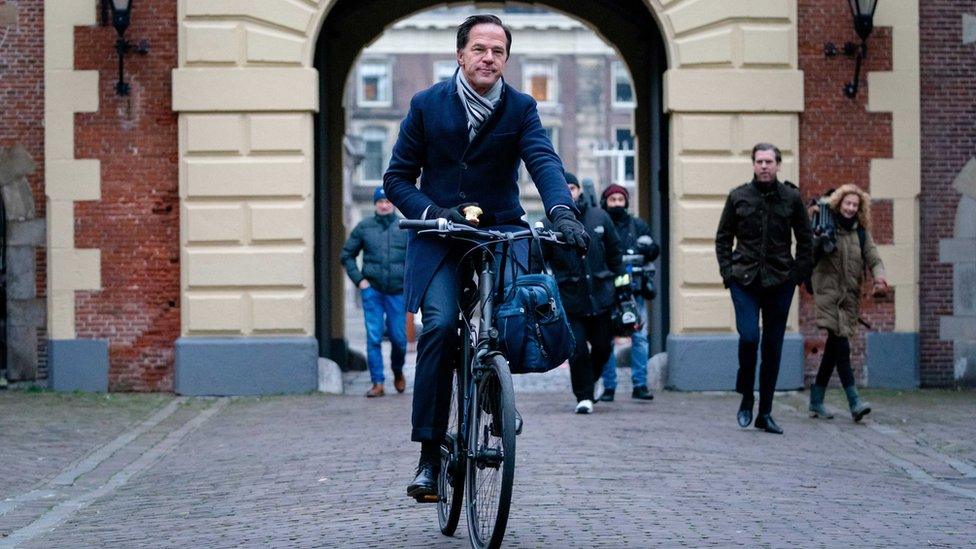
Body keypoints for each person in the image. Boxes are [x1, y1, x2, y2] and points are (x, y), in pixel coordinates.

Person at [383, 14, 589, 500]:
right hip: (438, 233)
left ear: (506, 59)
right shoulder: (427, 105)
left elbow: (542, 159)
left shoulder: (520, 108)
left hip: (499, 230)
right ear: (460, 54)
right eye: (479, 49)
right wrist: (433, 212)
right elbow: (396, 178)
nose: (488, 58)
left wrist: (563, 212)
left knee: (512, 318)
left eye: (497, 51)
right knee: (439, 327)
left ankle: (496, 391)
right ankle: (430, 456)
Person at [715, 143, 813, 435]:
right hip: (744, 279)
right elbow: (723, 238)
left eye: (769, 161)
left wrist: (797, 276)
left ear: (778, 165)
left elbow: (806, 241)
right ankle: (746, 394)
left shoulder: (791, 198)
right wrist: (727, 273)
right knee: (748, 337)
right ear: (753, 165)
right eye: (759, 161)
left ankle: (765, 412)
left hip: (779, 280)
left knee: (772, 347)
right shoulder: (738, 196)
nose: (764, 166)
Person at [544, 174, 624, 414]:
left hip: (601, 296)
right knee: (577, 349)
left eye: (572, 188)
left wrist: (623, 290)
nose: (569, 192)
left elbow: (615, 254)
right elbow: (540, 259)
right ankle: (584, 396)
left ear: (579, 190)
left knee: (603, 347)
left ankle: (590, 380)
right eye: (564, 188)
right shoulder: (550, 224)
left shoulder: (600, 217)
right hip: (570, 299)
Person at [808, 184, 887, 422]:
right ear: (839, 203)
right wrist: (818, 240)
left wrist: (880, 277)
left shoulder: (860, 233)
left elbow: (874, 258)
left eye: (855, 205)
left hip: (849, 297)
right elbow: (808, 255)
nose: (850, 208)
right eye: (847, 203)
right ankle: (854, 401)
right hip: (828, 294)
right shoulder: (824, 225)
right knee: (841, 345)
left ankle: (816, 400)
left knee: (834, 347)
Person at [340, 187, 408, 397]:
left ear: (393, 203)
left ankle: (397, 371)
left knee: (399, 339)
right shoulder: (364, 227)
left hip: (398, 292)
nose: (384, 205)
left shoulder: (405, 227)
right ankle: (377, 382)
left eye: (388, 201)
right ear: (375, 204)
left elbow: (417, 258)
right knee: (374, 337)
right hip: (373, 292)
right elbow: (347, 255)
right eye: (380, 201)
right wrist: (360, 281)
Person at [597, 184, 658, 401]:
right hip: (606, 289)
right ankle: (609, 387)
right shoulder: (600, 225)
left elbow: (654, 250)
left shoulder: (638, 225)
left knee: (639, 337)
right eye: (612, 200)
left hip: (634, 291)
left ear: (626, 202)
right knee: (606, 339)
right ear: (605, 202)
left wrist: (646, 248)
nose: (616, 204)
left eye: (620, 200)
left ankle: (640, 385)